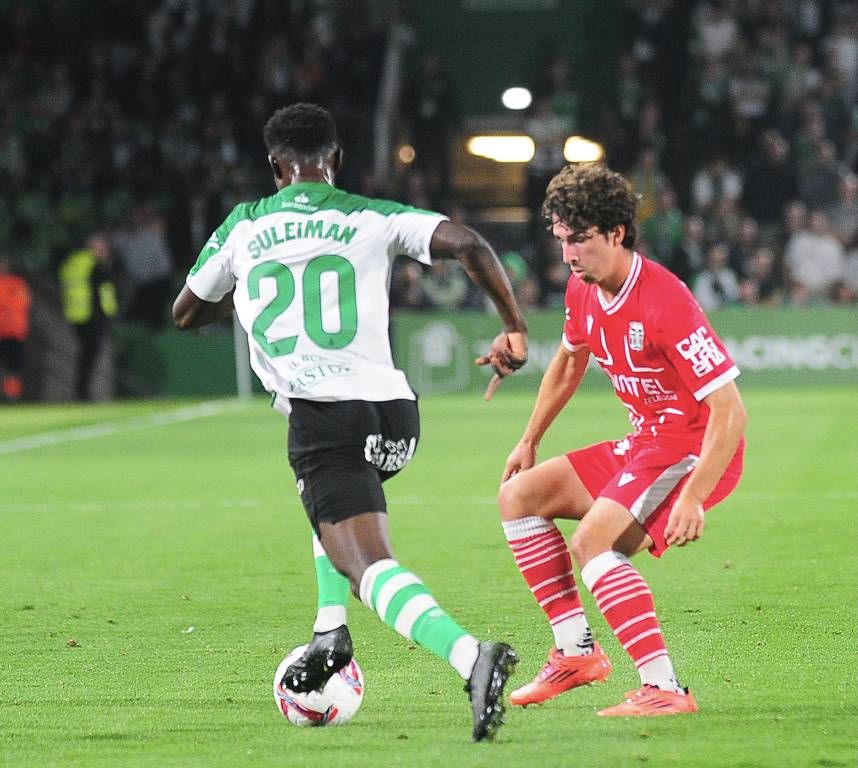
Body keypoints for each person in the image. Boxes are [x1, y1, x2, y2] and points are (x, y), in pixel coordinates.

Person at [172, 103, 529, 741]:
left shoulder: (246, 225)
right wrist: (514, 326)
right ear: (335, 160)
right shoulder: (371, 214)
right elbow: (469, 244)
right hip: (395, 416)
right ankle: (329, 631)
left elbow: (186, 312)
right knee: (332, 505)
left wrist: (248, 289)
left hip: (322, 416)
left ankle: (472, 657)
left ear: (276, 167)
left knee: (369, 566)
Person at [497, 163, 746, 717]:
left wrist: (693, 495)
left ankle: (665, 690)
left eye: (580, 240)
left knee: (592, 542)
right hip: (648, 442)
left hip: (691, 448)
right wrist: (529, 438)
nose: (568, 255)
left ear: (616, 233)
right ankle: (576, 654)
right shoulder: (583, 290)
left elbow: (729, 410)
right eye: (562, 241)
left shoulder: (665, 300)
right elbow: (567, 361)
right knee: (519, 497)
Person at [58, 233, 118, 401]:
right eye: (103, 248)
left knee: (86, 353)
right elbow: (103, 292)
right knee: (90, 354)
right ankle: (83, 392)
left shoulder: (72, 262)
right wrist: (108, 315)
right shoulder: (94, 265)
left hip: (74, 314)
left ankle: (81, 391)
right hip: (91, 314)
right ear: (94, 247)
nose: (105, 251)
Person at [0, 256, 32, 401]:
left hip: (16, 331)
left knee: (15, 366)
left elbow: (22, 302)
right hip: (2, 331)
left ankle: (11, 395)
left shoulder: (18, 283)